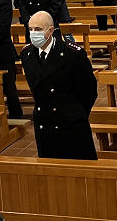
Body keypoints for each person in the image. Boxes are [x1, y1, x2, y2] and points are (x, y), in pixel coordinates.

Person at [20, 11, 98, 160]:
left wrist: (75, 113)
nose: (33, 33)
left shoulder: (73, 54)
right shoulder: (27, 54)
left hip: (71, 124)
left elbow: (89, 91)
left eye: (38, 29)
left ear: (50, 30)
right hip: (44, 123)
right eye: (30, 29)